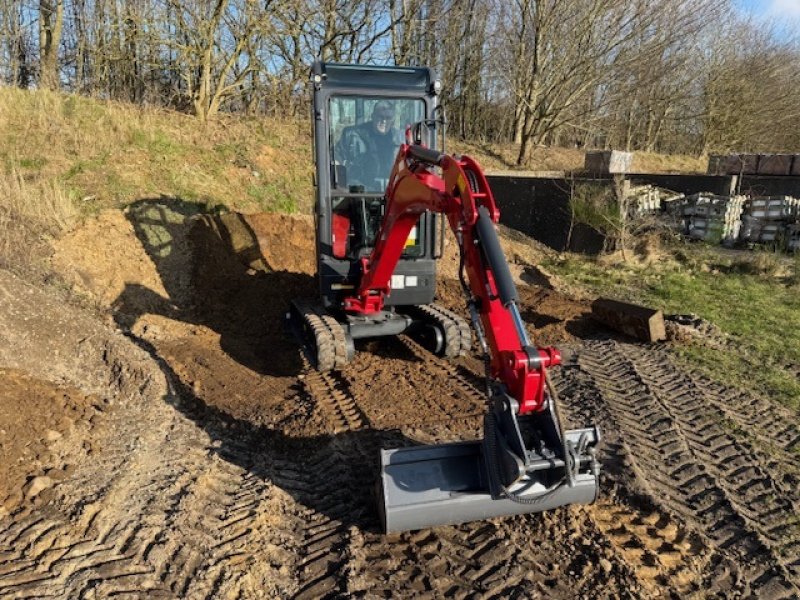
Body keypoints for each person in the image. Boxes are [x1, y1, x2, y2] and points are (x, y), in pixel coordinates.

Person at [335, 100, 401, 190]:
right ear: (373, 116)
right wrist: (340, 186)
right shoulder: (352, 135)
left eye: (388, 118)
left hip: (391, 191)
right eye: (380, 117)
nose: (384, 121)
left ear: (392, 120)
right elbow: (336, 157)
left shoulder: (400, 140)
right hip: (359, 191)